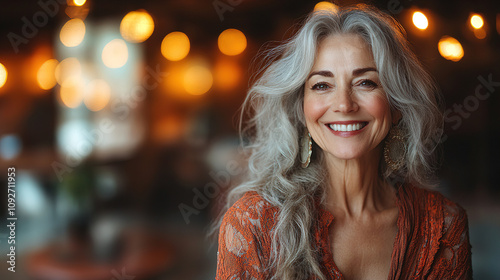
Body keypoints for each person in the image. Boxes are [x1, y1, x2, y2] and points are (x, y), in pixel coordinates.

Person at [214, 4, 472, 280]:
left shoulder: (443, 224)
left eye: (366, 83)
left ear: (396, 105)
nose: (344, 104)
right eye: (322, 86)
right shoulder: (253, 223)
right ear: (301, 111)